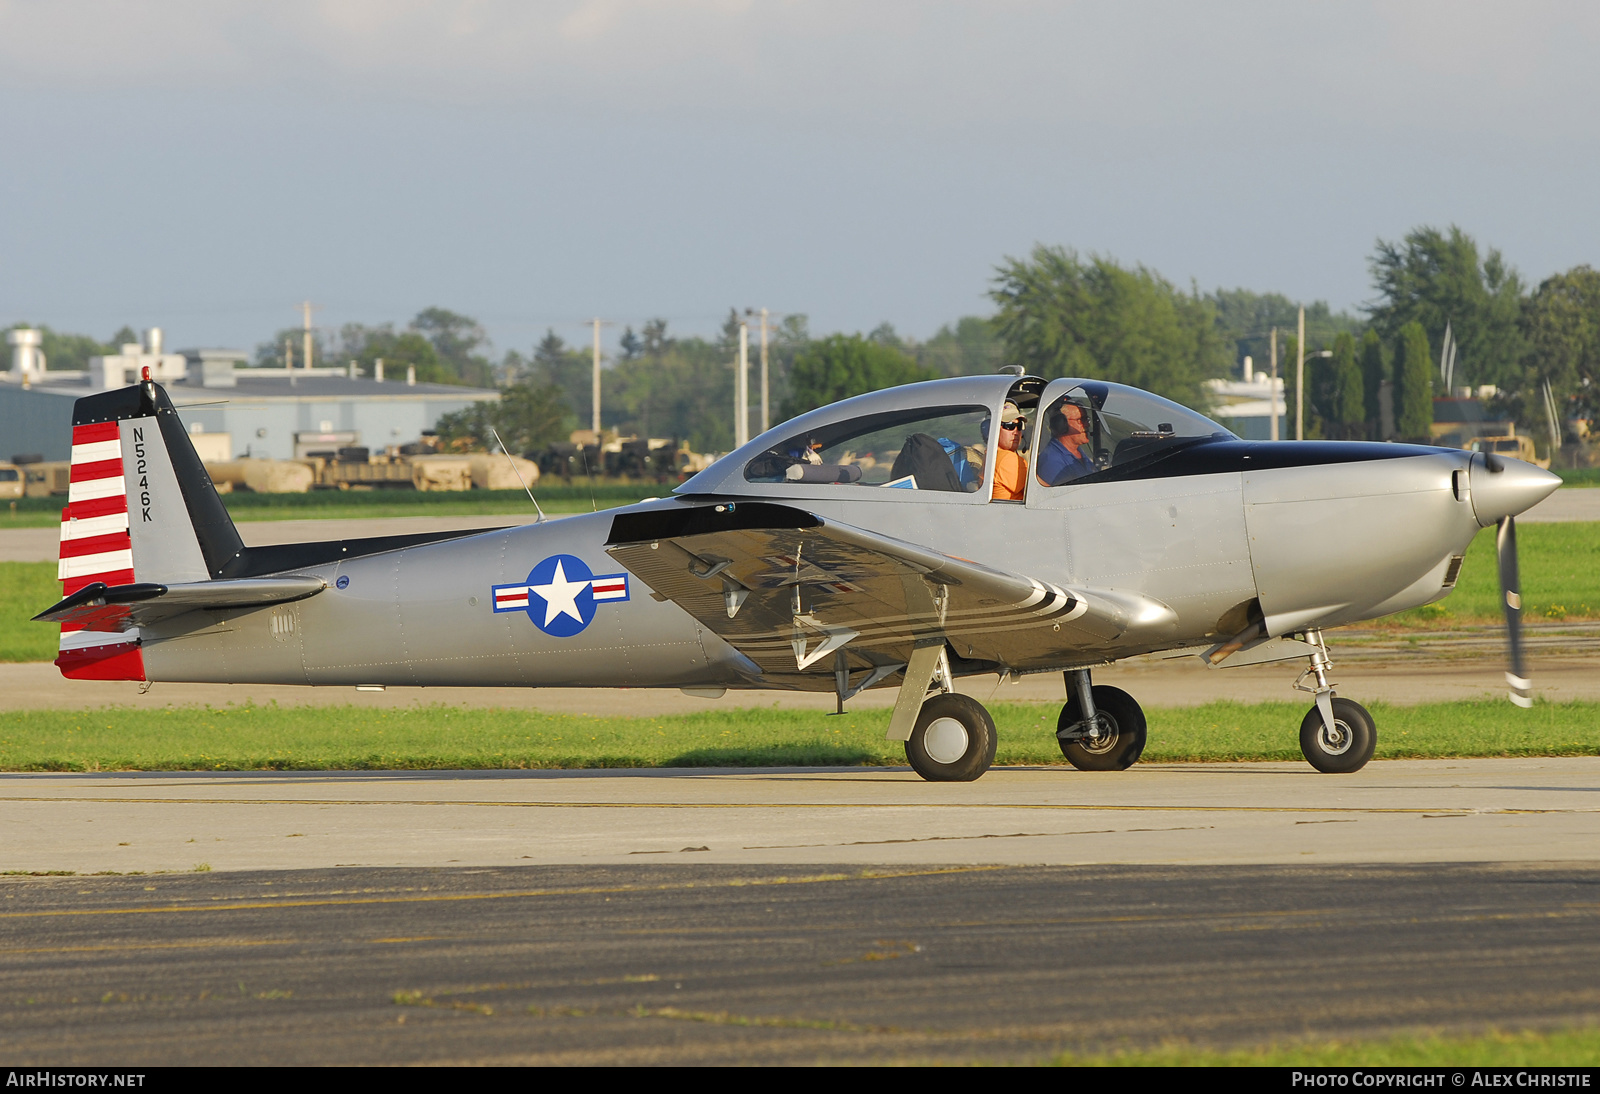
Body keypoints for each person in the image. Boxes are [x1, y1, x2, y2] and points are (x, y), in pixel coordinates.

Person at [1037, 398, 1096, 486]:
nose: (1087, 425)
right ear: (1061, 424)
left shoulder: (1078, 452)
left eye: (1086, 419)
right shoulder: (1052, 461)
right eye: (1080, 420)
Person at [990, 401, 1028, 501]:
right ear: (994, 429)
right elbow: (1041, 489)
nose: (1016, 432)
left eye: (1019, 426)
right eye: (1009, 425)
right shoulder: (1008, 459)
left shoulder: (992, 455)